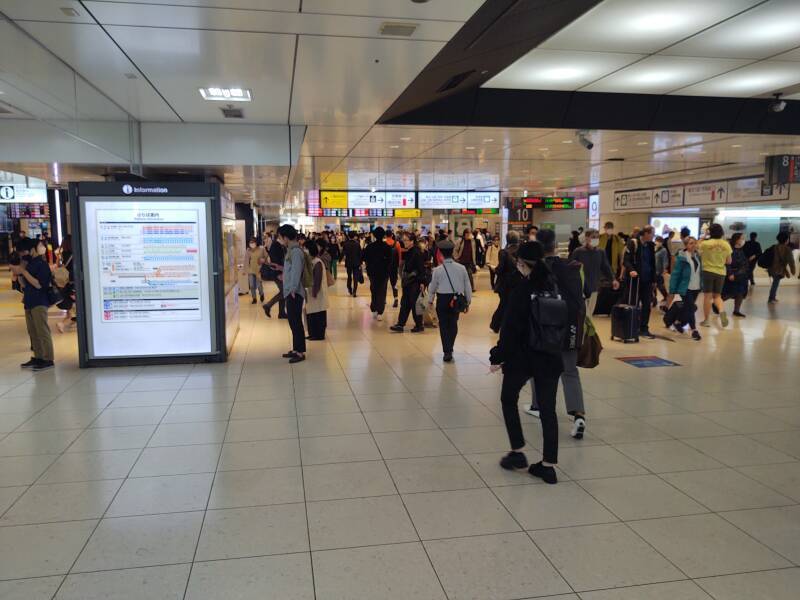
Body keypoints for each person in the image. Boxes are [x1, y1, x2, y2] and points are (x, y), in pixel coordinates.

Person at [491, 241, 564, 484]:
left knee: (508, 398)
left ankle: (518, 451)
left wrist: (497, 356)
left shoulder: (522, 291)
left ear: (522, 264)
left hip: (523, 358)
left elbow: (510, 329)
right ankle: (548, 466)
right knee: (548, 411)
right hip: (550, 357)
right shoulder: (554, 286)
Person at [525, 229, 588, 439]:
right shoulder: (571, 267)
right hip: (570, 326)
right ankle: (578, 415)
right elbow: (583, 294)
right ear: (554, 244)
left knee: (538, 369)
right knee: (569, 372)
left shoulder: (536, 270)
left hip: (545, 329)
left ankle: (537, 405)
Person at [10, 238, 55, 371]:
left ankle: (48, 358)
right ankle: (38, 356)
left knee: (42, 331)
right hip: (29, 300)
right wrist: (18, 273)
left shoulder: (41, 264)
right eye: (20, 252)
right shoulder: (28, 263)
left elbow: (38, 284)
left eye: (24, 251)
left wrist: (23, 271)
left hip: (40, 302)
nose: (22, 254)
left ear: (32, 249)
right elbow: (24, 285)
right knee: (32, 332)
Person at [427, 239, 471, 362]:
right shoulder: (461, 268)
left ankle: (447, 350)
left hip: (442, 299)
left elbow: (432, 287)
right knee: (453, 323)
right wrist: (468, 300)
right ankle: (449, 348)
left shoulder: (437, 270)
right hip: (456, 299)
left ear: (440, 253)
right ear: (452, 252)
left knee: (443, 325)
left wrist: (430, 300)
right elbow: (467, 285)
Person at [570, 228, 618, 317]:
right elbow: (571, 269)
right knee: (581, 315)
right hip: (580, 288)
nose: (595, 239)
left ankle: (587, 331)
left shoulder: (600, 252)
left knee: (589, 315)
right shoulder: (578, 252)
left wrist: (613, 280)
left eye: (597, 237)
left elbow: (606, 267)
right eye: (593, 237)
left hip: (594, 288)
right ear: (587, 238)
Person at [277, 224, 306, 363]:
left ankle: (300, 352)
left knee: (296, 322)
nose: (280, 239)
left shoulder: (295, 252)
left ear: (286, 237)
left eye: (281, 237)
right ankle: (296, 349)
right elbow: (290, 270)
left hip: (294, 292)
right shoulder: (291, 250)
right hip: (290, 290)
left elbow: (296, 272)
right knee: (293, 321)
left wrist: (293, 288)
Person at [623, 225, 657, 338]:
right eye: (652, 233)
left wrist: (654, 280)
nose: (653, 236)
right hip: (635, 281)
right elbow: (626, 260)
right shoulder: (633, 243)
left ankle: (644, 328)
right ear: (646, 234)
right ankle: (633, 326)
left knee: (647, 305)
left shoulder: (650, 246)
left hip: (647, 280)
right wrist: (632, 270)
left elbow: (652, 263)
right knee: (634, 304)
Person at [668, 237, 702, 341]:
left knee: (688, 308)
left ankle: (677, 322)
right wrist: (672, 290)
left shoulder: (697, 256)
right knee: (691, 308)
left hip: (696, 287)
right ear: (686, 245)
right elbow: (675, 274)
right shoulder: (682, 257)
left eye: (694, 243)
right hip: (685, 287)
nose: (693, 245)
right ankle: (694, 330)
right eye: (691, 243)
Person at [698, 223, 732, 327]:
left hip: (708, 271)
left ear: (710, 232)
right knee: (717, 296)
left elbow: (696, 246)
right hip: (721, 272)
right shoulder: (726, 244)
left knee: (707, 296)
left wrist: (704, 236)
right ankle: (721, 311)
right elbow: (729, 261)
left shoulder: (705, 244)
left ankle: (706, 320)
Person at [390, 232, 425, 333]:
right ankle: (400, 324)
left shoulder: (417, 252)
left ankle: (419, 325)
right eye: (403, 240)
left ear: (412, 241)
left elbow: (421, 268)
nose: (404, 242)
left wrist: (422, 282)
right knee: (405, 303)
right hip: (408, 282)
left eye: (406, 240)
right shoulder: (409, 251)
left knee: (415, 304)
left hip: (415, 282)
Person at [490, 230, 522, 333]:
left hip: (505, 283)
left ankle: (496, 324)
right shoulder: (521, 251)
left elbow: (500, 269)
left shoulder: (504, 252)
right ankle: (505, 325)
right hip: (518, 282)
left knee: (503, 304)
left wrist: (494, 269)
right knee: (511, 304)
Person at [362, 227, 392, 321]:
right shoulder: (387, 247)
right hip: (384, 273)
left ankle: (374, 307)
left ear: (374, 235)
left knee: (374, 289)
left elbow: (364, 258)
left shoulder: (370, 246)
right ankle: (380, 311)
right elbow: (390, 261)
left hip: (372, 272)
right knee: (382, 291)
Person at [305, 240, 329, 341]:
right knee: (311, 313)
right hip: (311, 292)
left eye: (306, 248)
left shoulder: (317, 262)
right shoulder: (311, 261)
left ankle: (319, 334)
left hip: (317, 292)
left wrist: (315, 291)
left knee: (318, 313)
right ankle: (312, 333)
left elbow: (318, 279)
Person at [723, 233, 749, 318]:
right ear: (737, 239)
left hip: (742, 276)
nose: (743, 240)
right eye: (742, 238)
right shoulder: (730, 250)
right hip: (733, 275)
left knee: (740, 293)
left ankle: (736, 310)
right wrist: (730, 273)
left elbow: (744, 262)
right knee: (730, 292)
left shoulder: (741, 250)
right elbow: (727, 263)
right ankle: (716, 304)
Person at [263, 232, 287, 319]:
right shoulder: (276, 245)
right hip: (278, 272)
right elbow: (278, 260)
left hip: (279, 271)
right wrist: (281, 272)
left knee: (283, 291)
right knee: (284, 292)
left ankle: (281, 313)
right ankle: (268, 305)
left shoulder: (277, 245)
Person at [768, 231, 797, 304]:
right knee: (775, 283)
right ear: (786, 240)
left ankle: (773, 297)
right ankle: (771, 298)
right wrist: (793, 270)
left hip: (771, 268)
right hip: (779, 269)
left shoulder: (774, 247)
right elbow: (791, 261)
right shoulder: (787, 249)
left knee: (775, 283)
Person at [55, 235, 75, 333]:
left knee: (70, 310)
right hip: (71, 282)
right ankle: (62, 323)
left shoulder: (63, 253)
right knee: (75, 308)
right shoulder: (73, 254)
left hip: (64, 283)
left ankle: (67, 322)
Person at [246, 237, 267, 304]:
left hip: (259, 269)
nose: (252, 243)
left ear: (256, 242)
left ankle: (261, 294)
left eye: (253, 242)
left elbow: (266, 256)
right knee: (251, 285)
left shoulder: (261, 248)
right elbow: (246, 260)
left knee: (259, 285)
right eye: (250, 242)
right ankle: (254, 298)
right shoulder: (248, 250)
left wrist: (263, 260)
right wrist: (244, 270)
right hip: (251, 269)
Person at [342, 231, 362, 297]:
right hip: (356, 263)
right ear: (354, 236)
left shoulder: (345, 244)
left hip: (348, 263)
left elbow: (344, 253)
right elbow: (360, 254)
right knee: (355, 278)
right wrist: (360, 263)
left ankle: (349, 289)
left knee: (349, 277)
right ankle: (354, 291)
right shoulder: (357, 244)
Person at [386, 231, 401, 308]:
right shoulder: (397, 244)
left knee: (384, 284)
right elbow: (400, 257)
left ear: (385, 235)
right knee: (394, 284)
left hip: (385, 267)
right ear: (392, 235)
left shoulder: (384, 243)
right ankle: (396, 299)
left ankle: (383, 300)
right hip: (394, 267)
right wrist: (398, 266)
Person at [654, 236, 669, 308]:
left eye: (659, 241)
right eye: (656, 240)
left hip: (659, 271)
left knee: (659, 285)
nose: (657, 242)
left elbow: (665, 260)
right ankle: (654, 299)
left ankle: (666, 296)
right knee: (654, 285)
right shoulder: (654, 248)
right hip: (653, 270)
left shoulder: (663, 250)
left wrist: (664, 269)